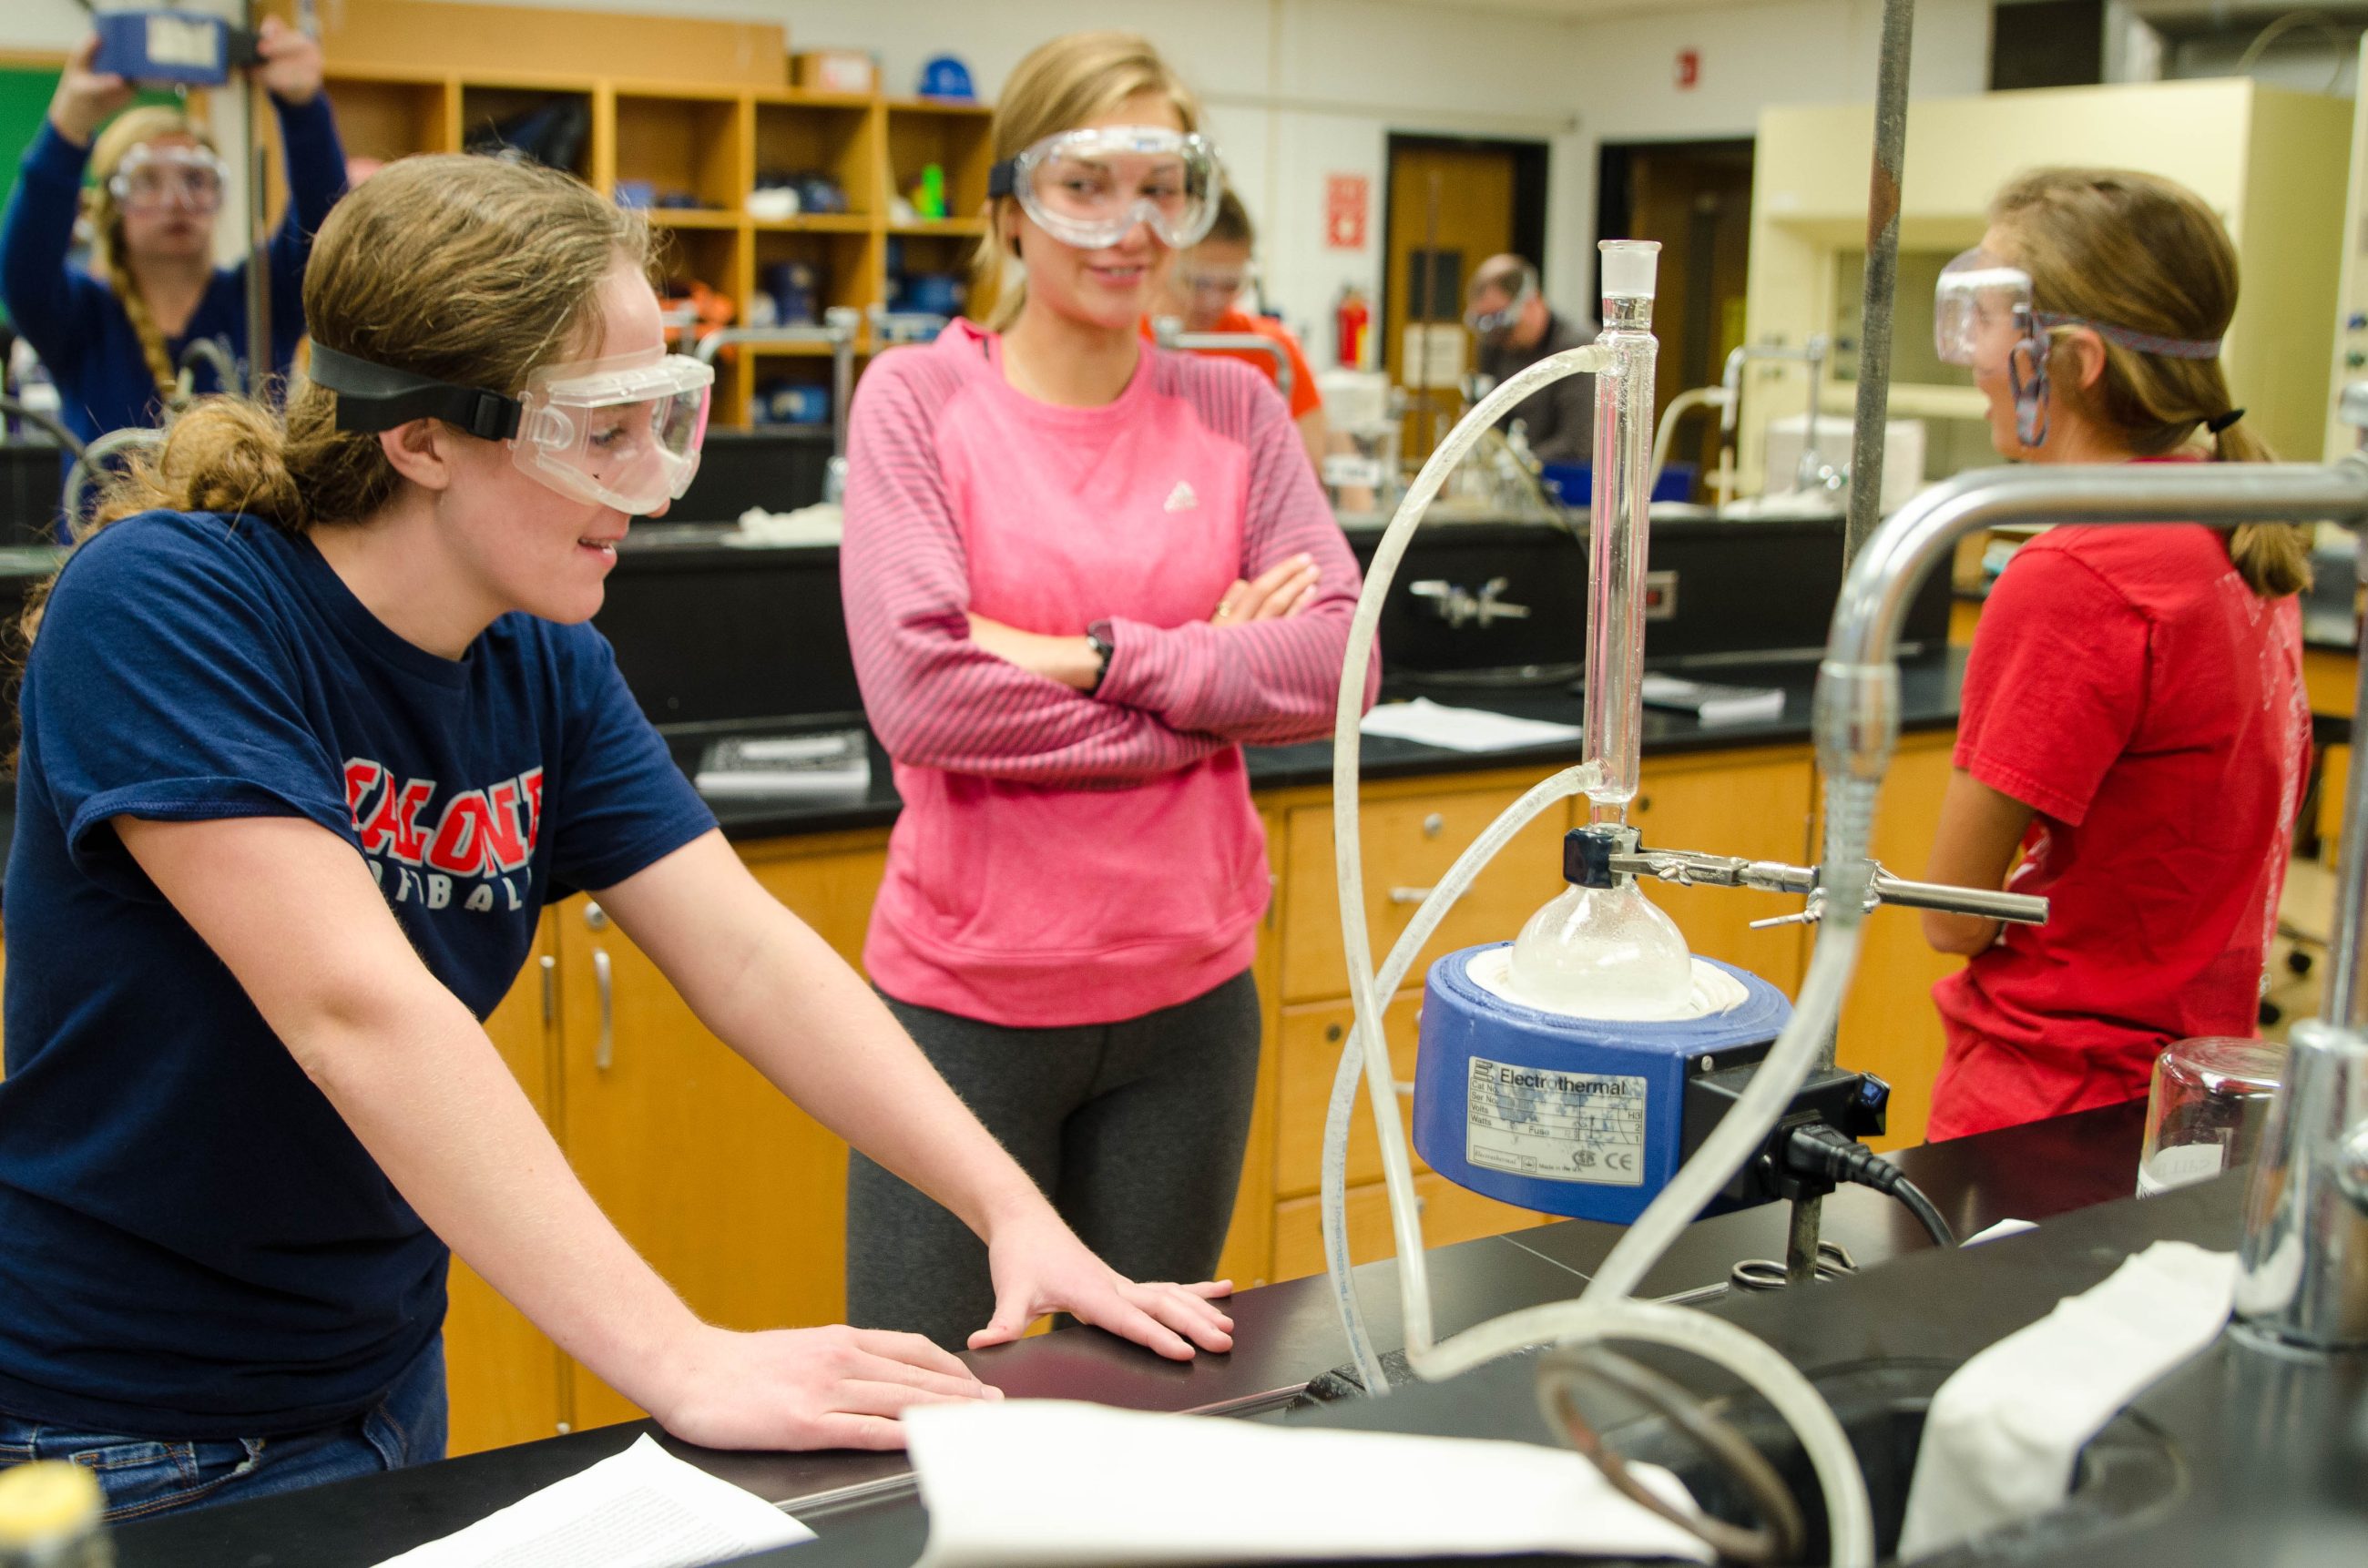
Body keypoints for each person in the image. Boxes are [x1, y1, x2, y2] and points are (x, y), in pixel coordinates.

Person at [0, 151, 1232, 1522]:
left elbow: (750, 958)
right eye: (597, 432)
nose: (651, 486)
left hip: (379, 1375)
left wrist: (1013, 1211)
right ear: (420, 438)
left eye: (663, 418)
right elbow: (356, 1010)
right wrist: (679, 1357)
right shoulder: (170, 608)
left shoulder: (536, 653)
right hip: (121, 1423)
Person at [839, 32, 1375, 1352]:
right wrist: (1214, 685)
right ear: (1010, 202)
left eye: (1162, 183)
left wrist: (1091, 653)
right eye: (1086, 182)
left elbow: (1347, 665)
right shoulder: (917, 401)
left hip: (1188, 1009)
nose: (1129, 225)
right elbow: (923, 693)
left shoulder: (1238, 411)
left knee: (1136, 1416)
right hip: (965, 1008)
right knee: (921, 1426)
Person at [1918, 168, 2312, 1142]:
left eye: (1992, 318)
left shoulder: (2077, 575)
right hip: (2181, 1093)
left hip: (2046, 1100)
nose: (1973, 357)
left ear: (2076, 357)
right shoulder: (2235, 529)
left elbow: (1949, 913)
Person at [0, 22, 346, 453]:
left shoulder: (258, 300)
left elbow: (325, 229)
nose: (175, 202)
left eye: (196, 180)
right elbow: (23, 269)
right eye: (147, 181)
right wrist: (71, 121)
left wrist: (304, 109)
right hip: (108, 523)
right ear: (113, 202)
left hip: (242, 523)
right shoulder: (83, 319)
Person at [1153, 187, 1329, 469]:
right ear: (1167, 262)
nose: (1213, 301)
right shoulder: (1123, 340)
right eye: (1199, 284)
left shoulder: (1269, 350)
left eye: (1230, 286)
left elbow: (1308, 465)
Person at [1465, 252, 1596, 466]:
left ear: (1532, 301)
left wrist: (1514, 465)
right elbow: (1489, 425)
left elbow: (1578, 444)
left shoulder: (1578, 350)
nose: (1499, 339)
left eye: (1505, 328)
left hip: (1572, 485)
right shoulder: (1495, 345)